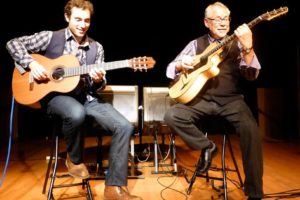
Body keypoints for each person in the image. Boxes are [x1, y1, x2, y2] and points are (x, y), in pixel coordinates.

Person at [6, 0, 142, 199]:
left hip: (87, 97)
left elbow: (99, 85)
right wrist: (32, 64)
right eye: (78, 19)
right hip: (54, 97)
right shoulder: (51, 37)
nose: (82, 24)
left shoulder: (97, 48)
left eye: (87, 20)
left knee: (124, 126)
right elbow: (12, 43)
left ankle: (114, 187)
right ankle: (74, 159)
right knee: (76, 113)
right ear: (67, 17)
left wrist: (98, 80)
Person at [164, 2, 263, 200]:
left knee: (251, 130)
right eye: (217, 19)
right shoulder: (196, 44)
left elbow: (252, 75)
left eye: (226, 18)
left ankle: (254, 193)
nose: (223, 23)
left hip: (231, 101)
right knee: (172, 115)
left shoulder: (238, 43)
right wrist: (180, 65)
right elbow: (169, 70)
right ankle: (207, 147)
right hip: (201, 100)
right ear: (206, 22)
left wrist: (248, 47)